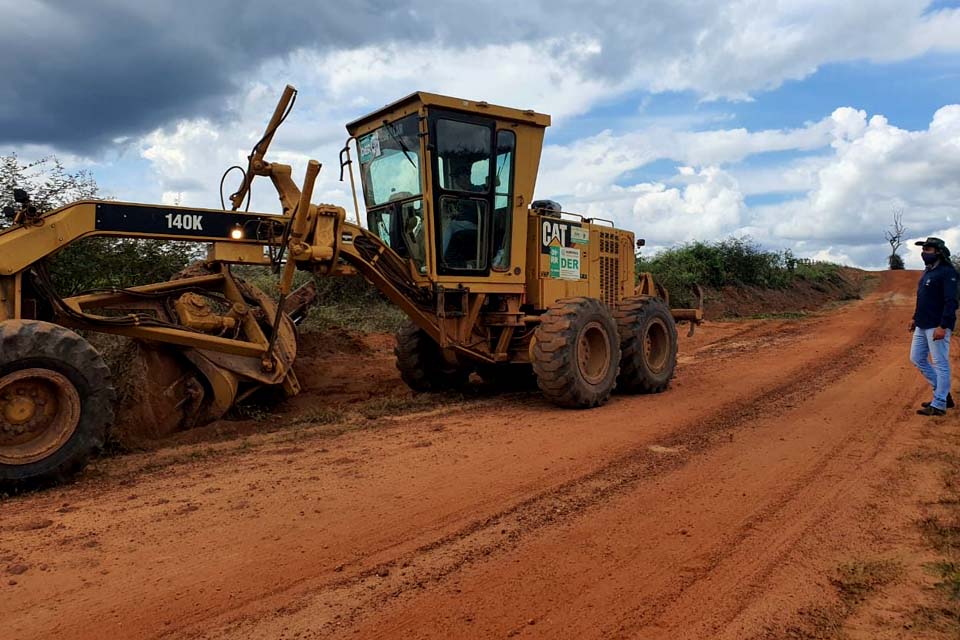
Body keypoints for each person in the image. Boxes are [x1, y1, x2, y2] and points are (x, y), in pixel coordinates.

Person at [910, 237, 958, 416]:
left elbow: (951, 301)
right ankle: (943, 394)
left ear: (938, 251)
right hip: (922, 324)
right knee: (917, 358)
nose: (924, 253)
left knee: (940, 363)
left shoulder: (948, 272)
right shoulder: (928, 271)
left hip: (937, 325)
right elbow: (922, 297)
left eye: (928, 250)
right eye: (923, 250)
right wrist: (915, 318)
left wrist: (943, 325)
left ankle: (939, 404)